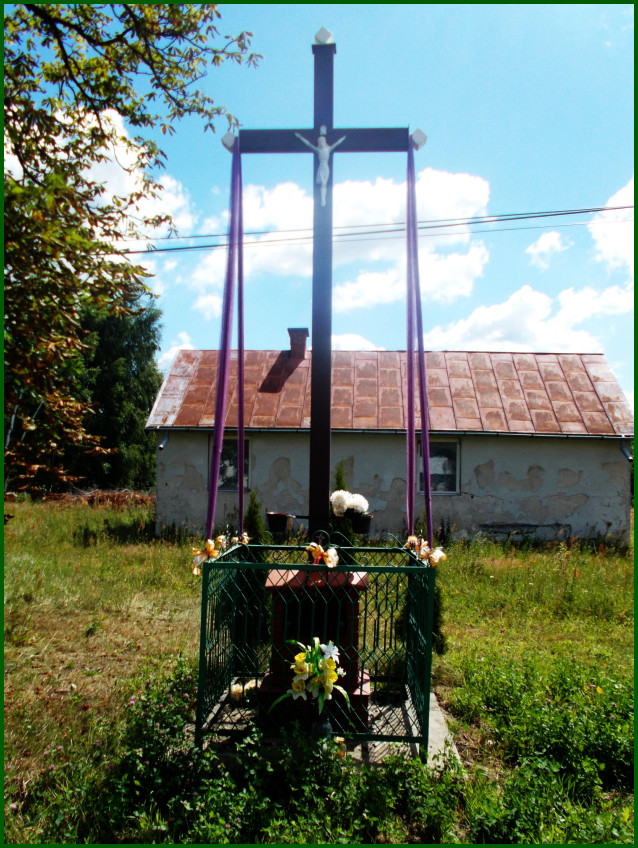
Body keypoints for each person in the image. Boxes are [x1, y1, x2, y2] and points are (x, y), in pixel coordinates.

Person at [295, 125, 346, 206]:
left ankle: (323, 199)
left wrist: (343, 139)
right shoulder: (318, 150)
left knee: (324, 184)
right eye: (319, 142)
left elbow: (337, 143)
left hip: (326, 167)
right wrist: (300, 138)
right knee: (323, 183)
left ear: (324, 141)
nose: (321, 143)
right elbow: (308, 144)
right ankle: (323, 199)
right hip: (321, 167)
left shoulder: (328, 149)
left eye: (322, 141)